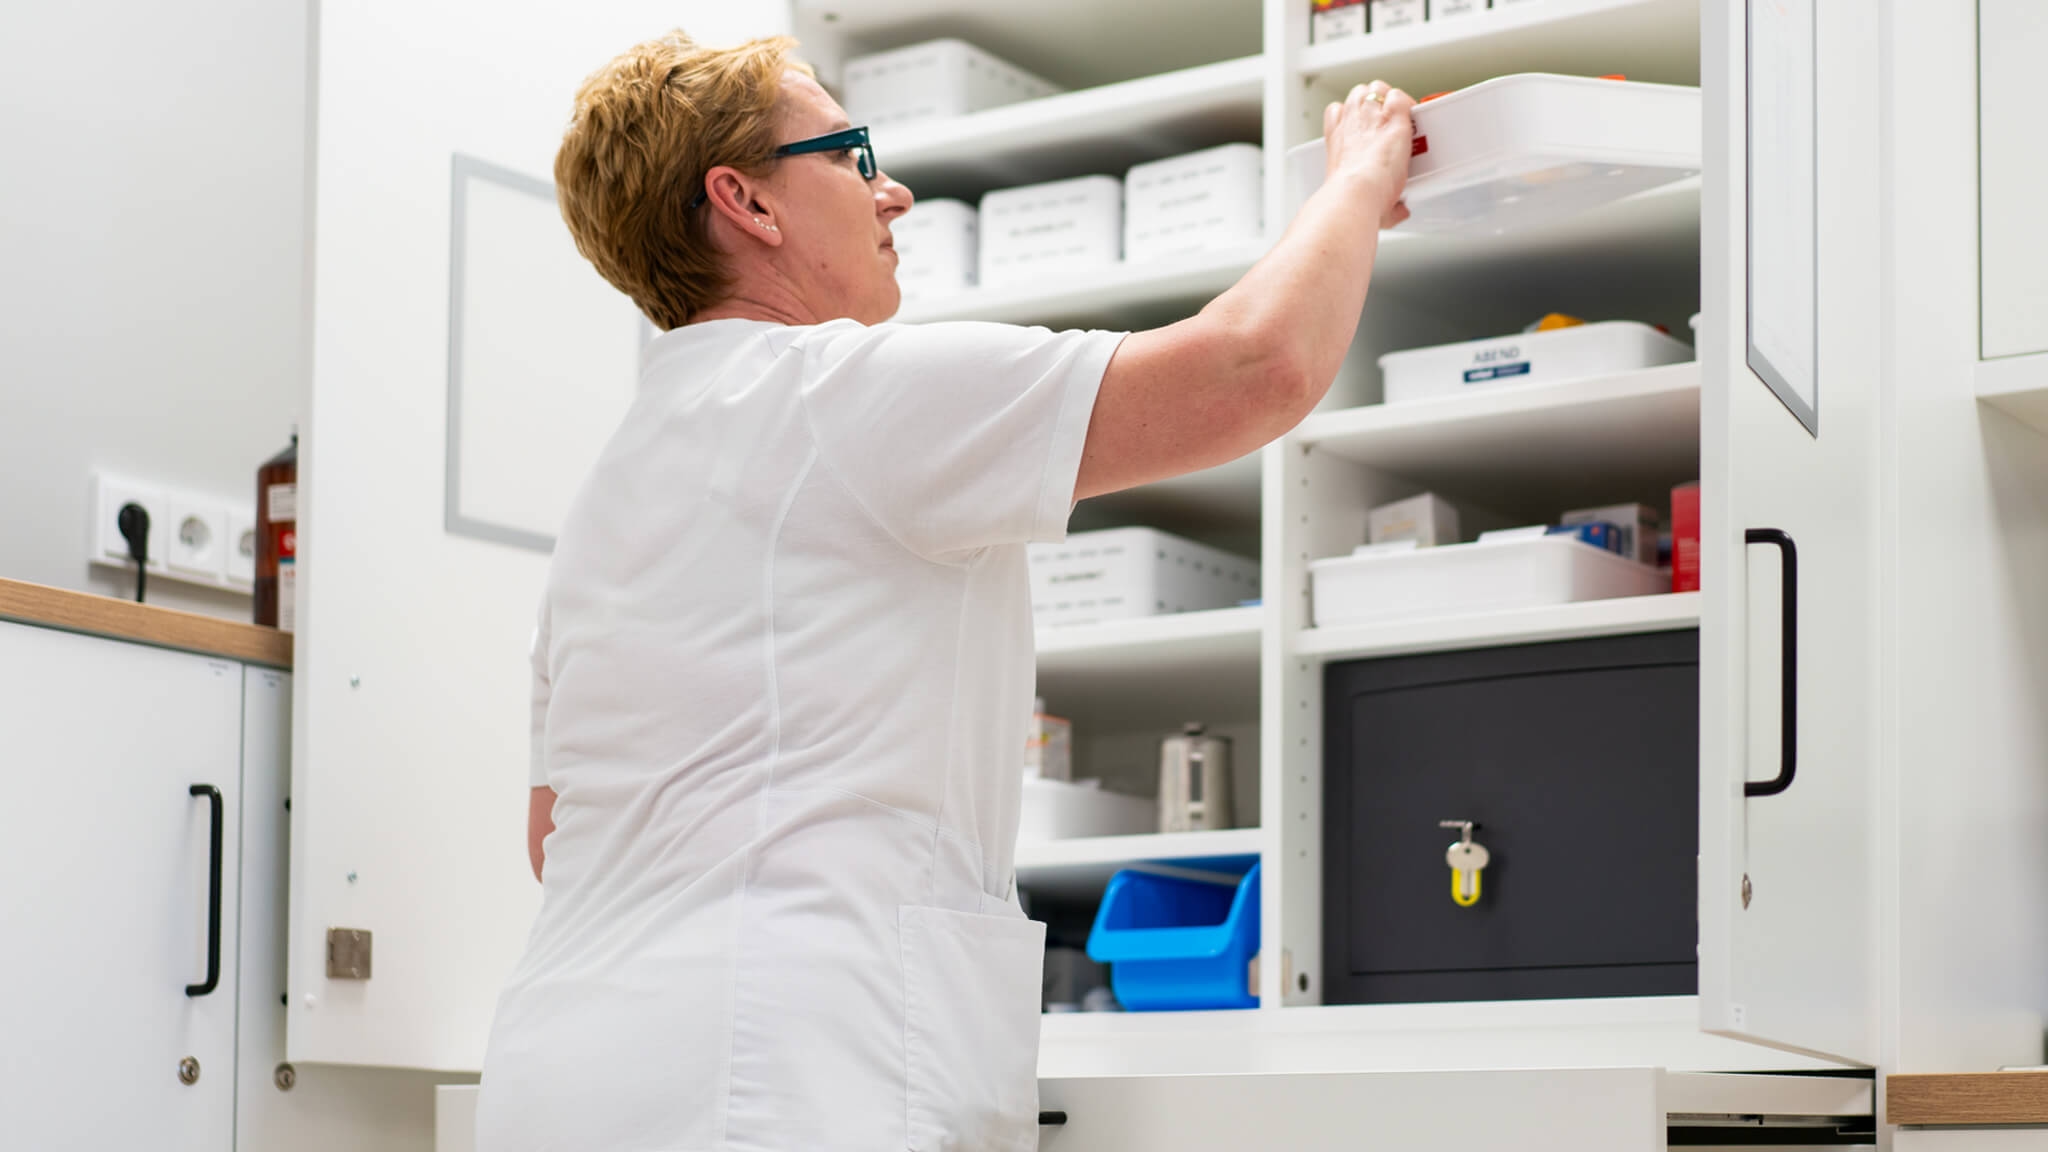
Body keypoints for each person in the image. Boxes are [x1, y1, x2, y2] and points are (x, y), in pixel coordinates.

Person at [475, 28, 1414, 1152]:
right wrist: (1360, 174)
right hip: (785, 1076)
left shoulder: (609, 497)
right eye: (849, 156)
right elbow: (1251, 370)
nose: (894, 193)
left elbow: (555, 836)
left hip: (563, 1075)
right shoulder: (839, 393)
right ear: (747, 203)